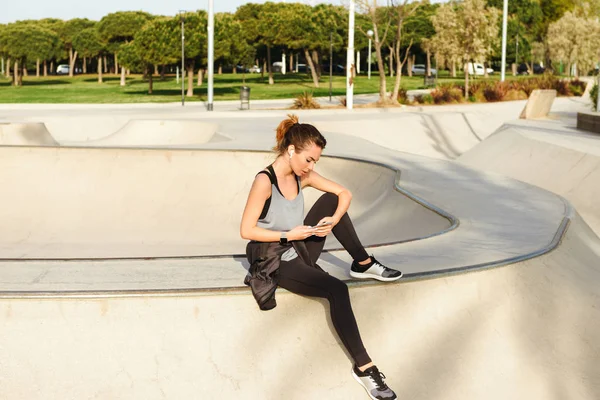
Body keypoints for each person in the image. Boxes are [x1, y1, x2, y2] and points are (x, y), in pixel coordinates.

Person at [240, 114, 402, 400]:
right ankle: (365, 368)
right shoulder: (264, 181)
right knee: (337, 289)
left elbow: (344, 193)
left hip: (299, 247)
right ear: (291, 151)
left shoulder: (303, 176)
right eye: (309, 160)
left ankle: (362, 263)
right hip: (274, 258)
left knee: (330, 201)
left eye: (315, 161)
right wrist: (289, 235)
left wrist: (333, 219)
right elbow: (246, 230)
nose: (311, 167)